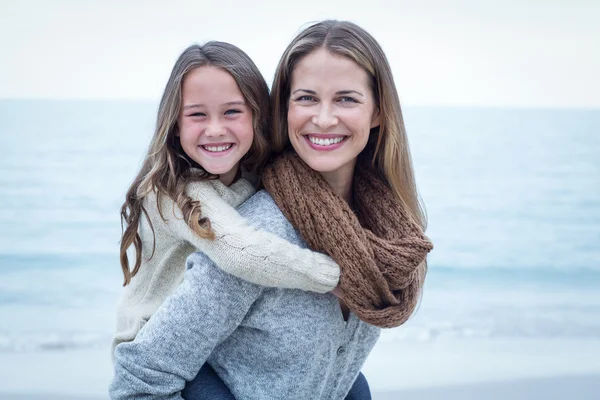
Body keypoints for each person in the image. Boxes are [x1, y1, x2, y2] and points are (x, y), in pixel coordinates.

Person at [110, 20, 433, 400]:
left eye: (346, 98)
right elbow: (138, 380)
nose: (324, 118)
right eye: (307, 98)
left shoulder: (390, 234)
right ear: (284, 110)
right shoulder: (257, 236)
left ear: (378, 112)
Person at [113, 41, 343, 355]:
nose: (216, 129)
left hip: (214, 342)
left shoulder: (251, 179)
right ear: (176, 124)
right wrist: (336, 276)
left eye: (232, 111)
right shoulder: (173, 192)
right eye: (197, 114)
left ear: (256, 115)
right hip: (155, 346)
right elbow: (240, 250)